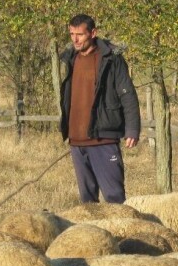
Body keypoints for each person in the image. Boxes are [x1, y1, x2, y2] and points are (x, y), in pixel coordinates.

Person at [59, 14, 141, 204]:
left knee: (114, 198)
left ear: (93, 33)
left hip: (103, 139)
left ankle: (121, 233)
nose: (75, 39)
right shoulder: (70, 58)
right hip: (77, 141)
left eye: (80, 34)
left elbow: (127, 94)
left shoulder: (111, 59)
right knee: (87, 202)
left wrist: (132, 129)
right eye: (71, 34)